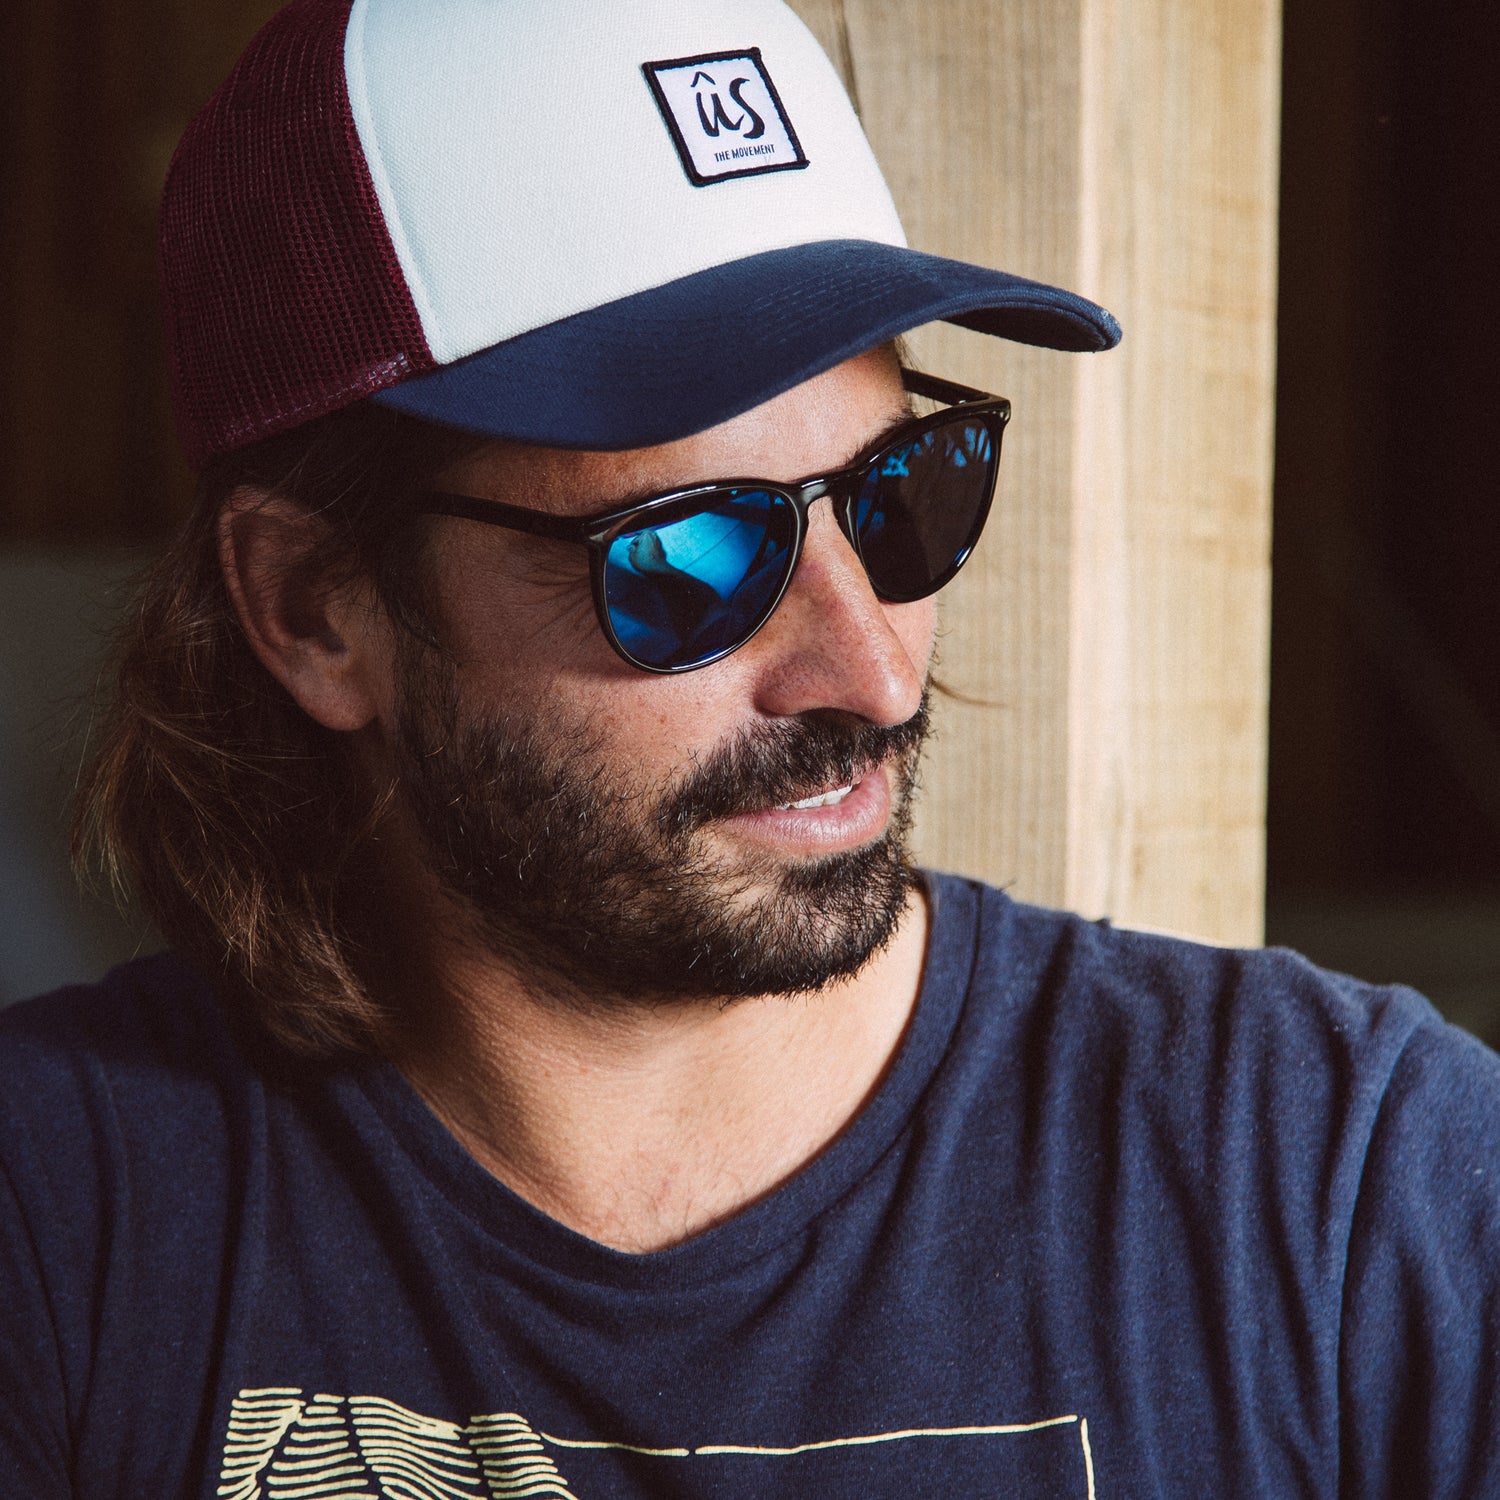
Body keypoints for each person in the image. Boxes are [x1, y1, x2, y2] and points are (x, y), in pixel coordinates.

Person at [3, 0, 1499, 1496]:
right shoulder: (61, 1219)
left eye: (905, 489)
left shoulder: (1353, 1191)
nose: (872, 672)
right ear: (313, 611)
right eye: (692, 555)